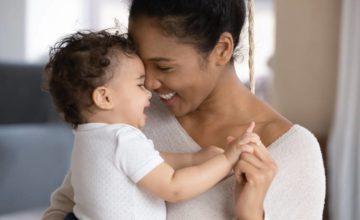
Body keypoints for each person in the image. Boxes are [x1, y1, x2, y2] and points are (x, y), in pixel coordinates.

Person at [43, 0, 326, 219]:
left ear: (222, 50)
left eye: (165, 66)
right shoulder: (129, 112)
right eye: (142, 66)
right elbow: (66, 207)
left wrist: (250, 214)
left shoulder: (293, 151)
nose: (151, 84)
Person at [43, 30, 263, 220]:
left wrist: (194, 158)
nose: (148, 91)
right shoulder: (122, 138)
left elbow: (149, 159)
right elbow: (174, 187)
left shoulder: (88, 139)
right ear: (105, 98)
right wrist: (227, 160)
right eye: (139, 84)